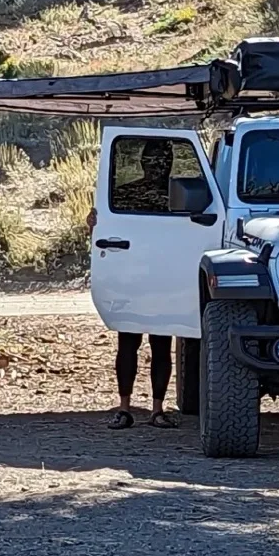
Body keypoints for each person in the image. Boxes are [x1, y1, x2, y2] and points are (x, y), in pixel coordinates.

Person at [87, 137, 178, 429]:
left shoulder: (181, 196)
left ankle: (157, 409)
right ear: (141, 161)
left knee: (161, 344)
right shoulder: (124, 195)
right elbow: (108, 228)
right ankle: (125, 408)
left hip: (165, 276)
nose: (157, 166)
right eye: (151, 159)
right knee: (128, 344)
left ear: (171, 163)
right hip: (131, 275)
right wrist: (95, 223)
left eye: (163, 159)